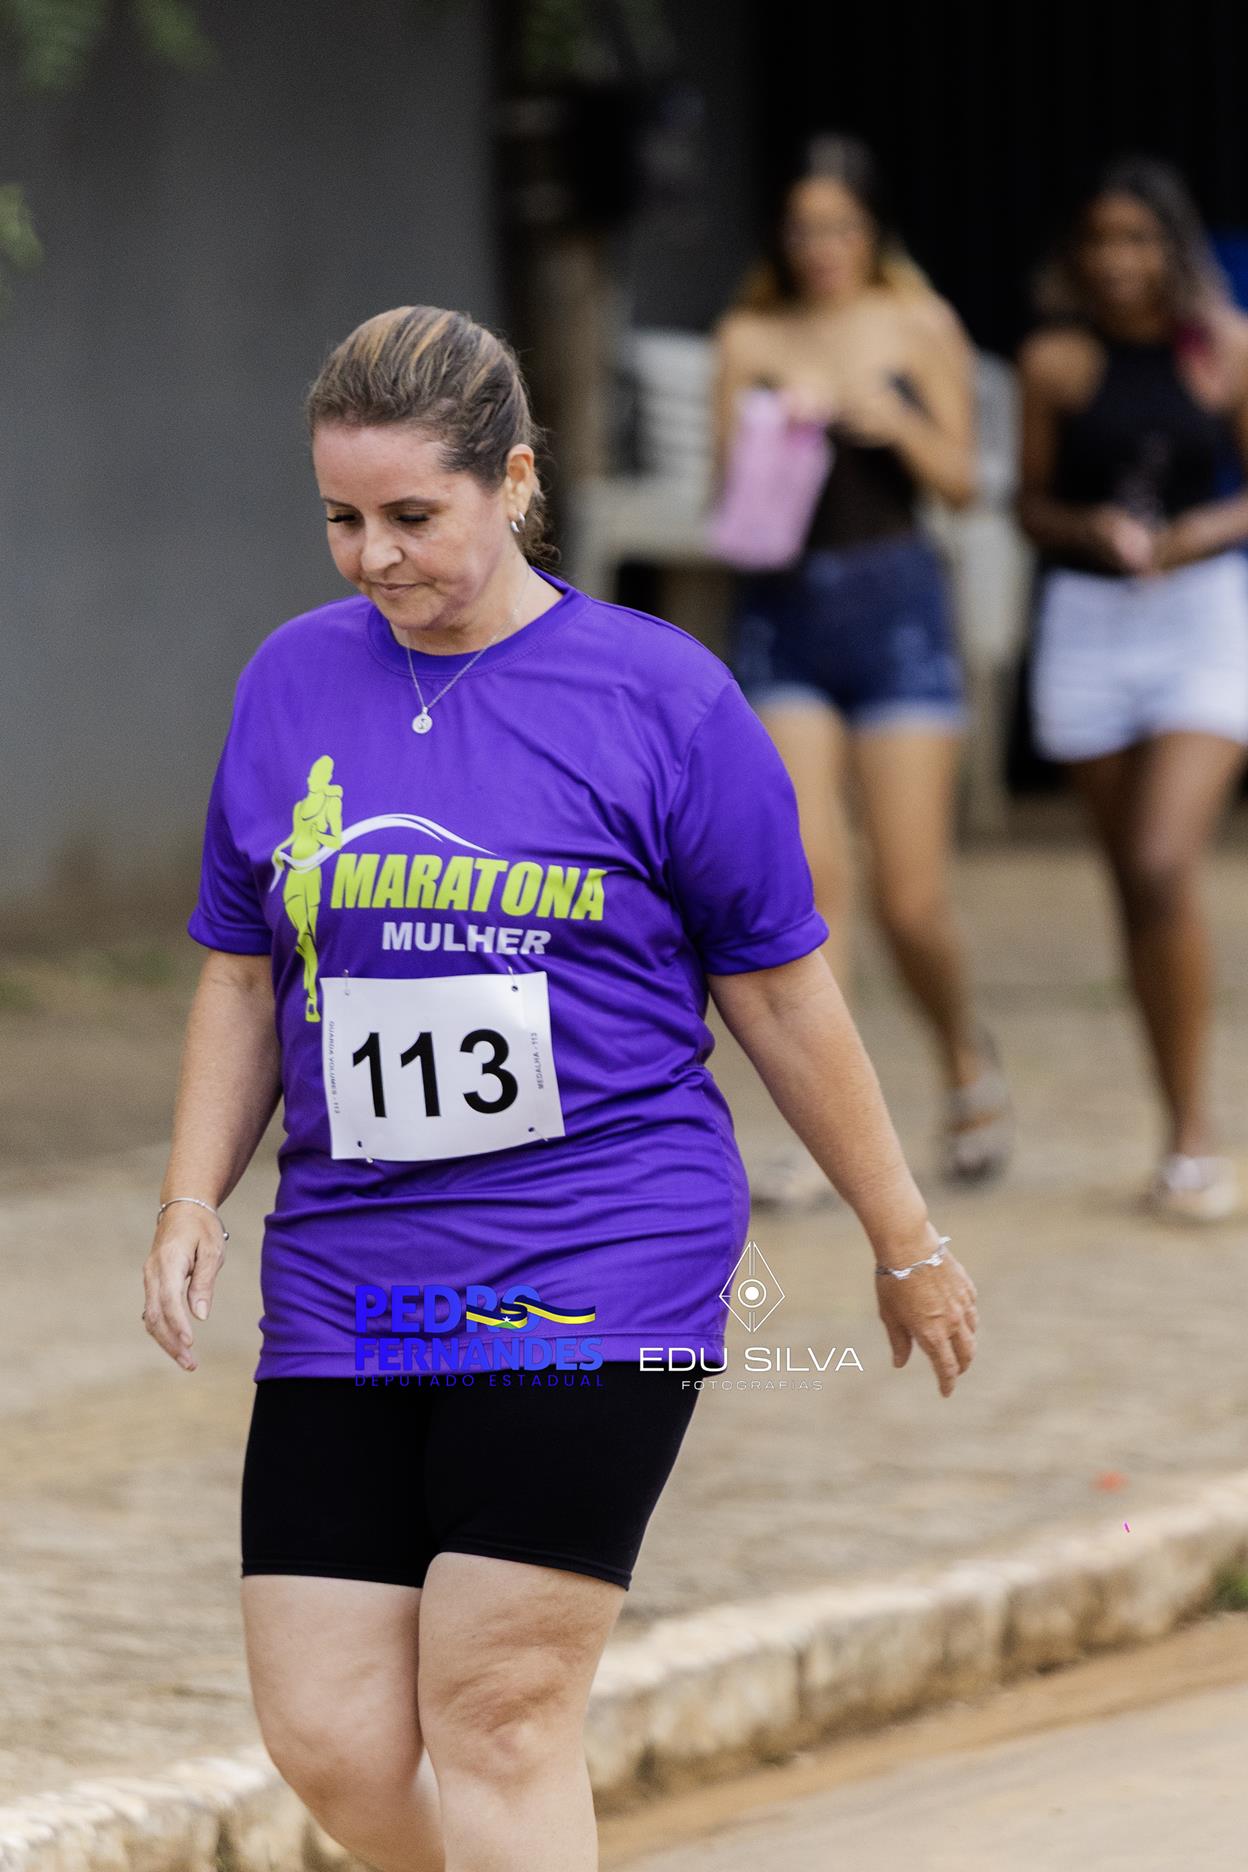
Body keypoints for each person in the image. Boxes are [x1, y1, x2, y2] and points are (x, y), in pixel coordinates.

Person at [141, 304, 978, 1872]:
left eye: (413, 515)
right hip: (351, 1264)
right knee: (330, 1738)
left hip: (599, 1248)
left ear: (514, 480)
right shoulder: (290, 682)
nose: (374, 556)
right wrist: (193, 1196)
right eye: (340, 519)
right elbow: (246, 973)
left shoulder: (663, 698)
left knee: (501, 1711)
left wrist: (902, 1235)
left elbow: (782, 990)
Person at [710, 133, 1013, 1210]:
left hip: (897, 618)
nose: (822, 246)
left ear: (870, 231)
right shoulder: (749, 335)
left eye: (840, 226)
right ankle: (821, 1135)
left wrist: (897, 419)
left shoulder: (919, 322)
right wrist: (772, 427)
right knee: (810, 885)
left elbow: (966, 485)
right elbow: (725, 511)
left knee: (910, 899)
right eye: (804, 229)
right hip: (785, 614)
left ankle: (964, 1057)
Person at [1017, 155, 1248, 1222]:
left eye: (1138, 239)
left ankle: (1197, 1134)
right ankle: (1174, 1123)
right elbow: (1027, 505)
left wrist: (1202, 530)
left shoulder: (1223, 348)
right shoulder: (1056, 359)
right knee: (1133, 889)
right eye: (1100, 240)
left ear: (1171, 245)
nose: (1118, 260)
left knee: (1162, 862)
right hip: (1089, 623)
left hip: (1201, 618)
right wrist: (1091, 527)